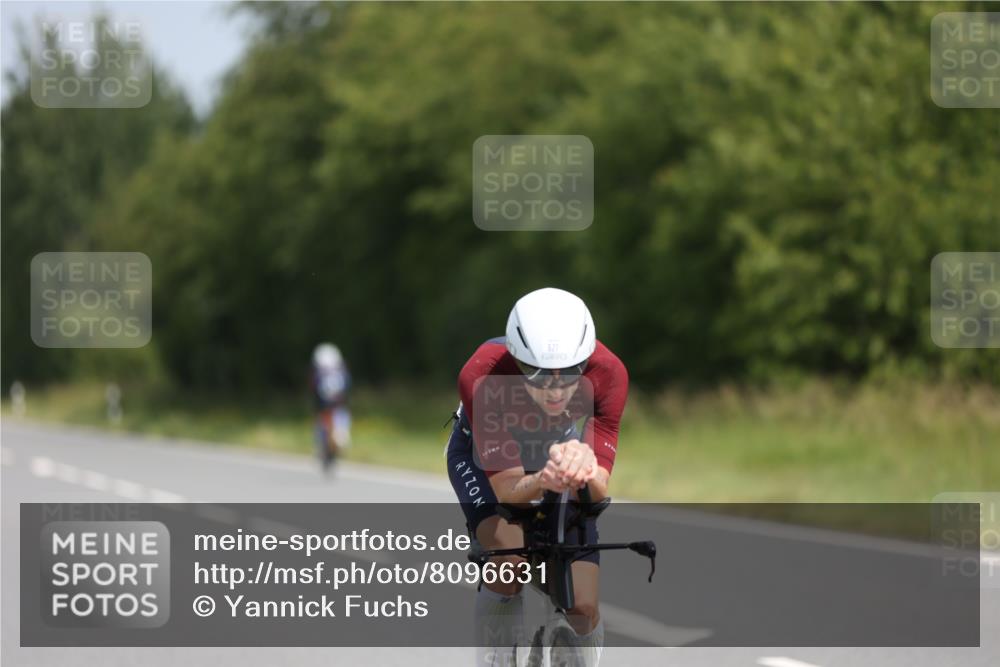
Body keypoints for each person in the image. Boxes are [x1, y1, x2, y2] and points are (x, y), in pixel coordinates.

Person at [446, 288, 628, 667]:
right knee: (510, 558)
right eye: (537, 373)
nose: (556, 388)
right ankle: (497, 659)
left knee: (583, 605)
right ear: (515, 357)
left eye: (571, 373)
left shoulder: (609, 372)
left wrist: (585, 466)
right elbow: (510, 491)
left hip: (554, 451)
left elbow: (596, 491)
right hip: (483, 459)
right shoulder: (482, 375)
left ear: (587, 359)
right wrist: (544, 480)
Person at [311, 343, 352, 472]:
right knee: (326, 429)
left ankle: (328, 450)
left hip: (332, 409)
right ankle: (326, 450)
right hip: (332, 409)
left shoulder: (322, 373)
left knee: (332, 430)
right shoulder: (341, 371)